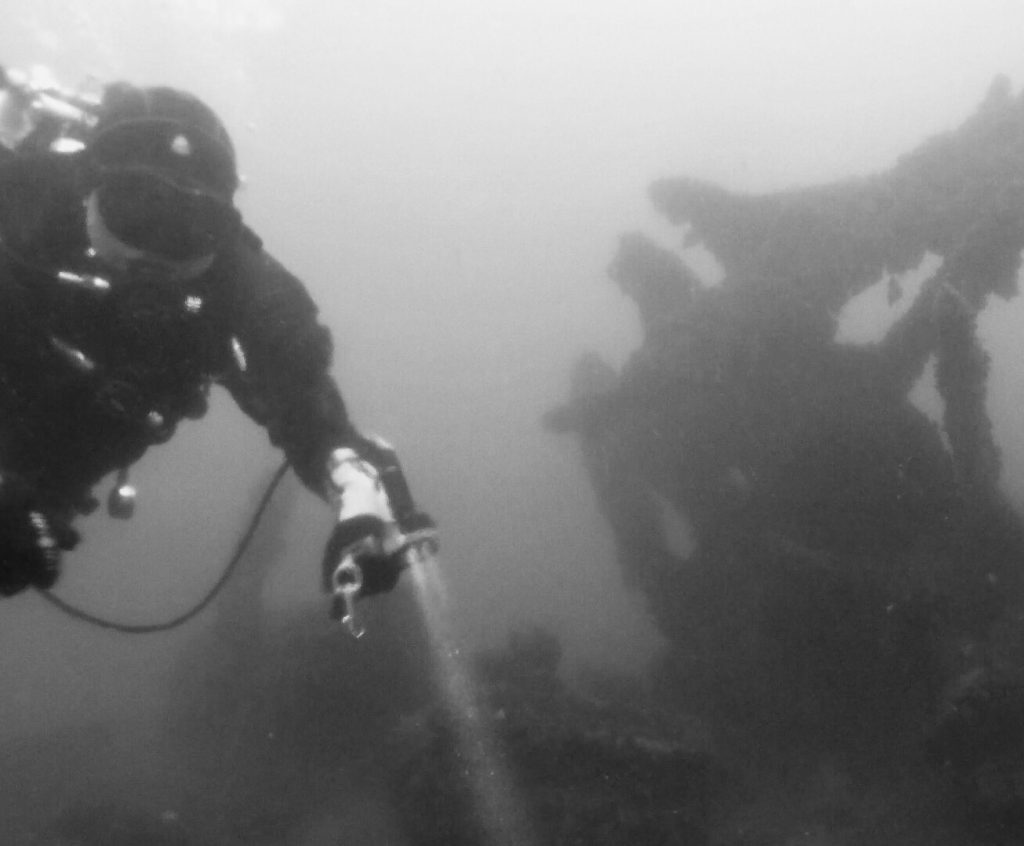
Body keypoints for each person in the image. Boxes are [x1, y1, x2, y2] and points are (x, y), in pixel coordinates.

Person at [0, 73, 435, 602]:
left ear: (221, 230)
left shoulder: (234, 284)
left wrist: (357, 492)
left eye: (190, 231)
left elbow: (301, 395)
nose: (154, 256)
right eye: (134, 213)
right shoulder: (22, 204)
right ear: (89, 187)